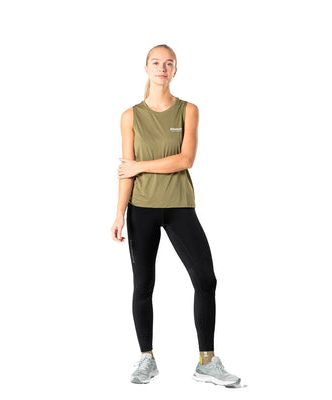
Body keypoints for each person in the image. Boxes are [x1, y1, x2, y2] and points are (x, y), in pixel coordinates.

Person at [111, 44, 241, 387]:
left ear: (175, 71)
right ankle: (147, 358)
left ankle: (207, 362)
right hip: (141, 209)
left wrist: (140, 165)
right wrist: (119, 213)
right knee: (143, 285)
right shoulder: (130, 116)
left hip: (179, 206)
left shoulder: (188, 110)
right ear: (146, 68)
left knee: (206, 280)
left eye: (168, 63)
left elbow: (186, 160)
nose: (162, 68)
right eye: (156, 62)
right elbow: (126, 171)